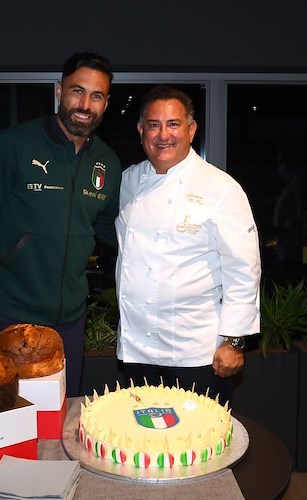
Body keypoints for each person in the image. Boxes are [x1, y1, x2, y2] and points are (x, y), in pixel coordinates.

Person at [0, 52, 121, 397]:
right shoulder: (12, 145)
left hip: (71, 323)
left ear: (106, 104)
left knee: (61, 420)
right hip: (9, 315)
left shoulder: (107, 162)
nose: (85, 104)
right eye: (78, 91)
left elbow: (112, 229)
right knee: (9, 420)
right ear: (60, 91)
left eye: (96, 96)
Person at [115, 85, 261, 404]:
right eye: (153, 125)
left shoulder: (221, 188)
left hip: (198, 354)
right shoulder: (127, 181)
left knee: (199, 447)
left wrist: (234, 342)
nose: (163, 134)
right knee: (144, 444)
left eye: (174, 124)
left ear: (191, 130)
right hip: (138, 351)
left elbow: (243, 270)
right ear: (141, 130)